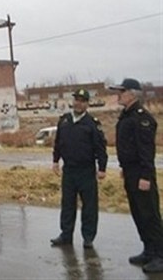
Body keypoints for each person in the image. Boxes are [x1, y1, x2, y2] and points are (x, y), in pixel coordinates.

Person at [110, 78, 163, 273]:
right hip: (131, 171)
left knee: (149, 214)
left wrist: (146, 176)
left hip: (142, 173)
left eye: (122, 92)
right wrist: (125, 167)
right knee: (138, 212)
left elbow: (146, 151)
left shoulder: (142, 118)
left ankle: (160, 254)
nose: (118, 95)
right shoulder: (126, 116)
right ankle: (149, 250)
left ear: (132, 94)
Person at [50, 88, 107, 249]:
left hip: (86, 171)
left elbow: (100, 148)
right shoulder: (65, 120)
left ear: (87, 104)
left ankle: (88, 237)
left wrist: (102, 167)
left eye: (82, 100)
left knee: (89, 206)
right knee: (67, 204)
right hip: (69, 170)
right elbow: (58, 143)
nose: (78, 103)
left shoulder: (92, 124)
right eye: (76, 100)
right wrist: (55, 161)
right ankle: (66, 235)